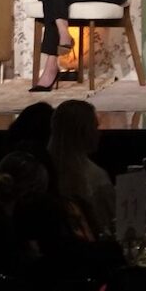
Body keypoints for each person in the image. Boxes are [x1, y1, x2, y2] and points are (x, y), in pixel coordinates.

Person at [48, 100, 115, 235]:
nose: (99, 133)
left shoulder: (42, 170)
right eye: (95, 127)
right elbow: (111, 221)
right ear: (84, 132)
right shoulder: (96, 178)